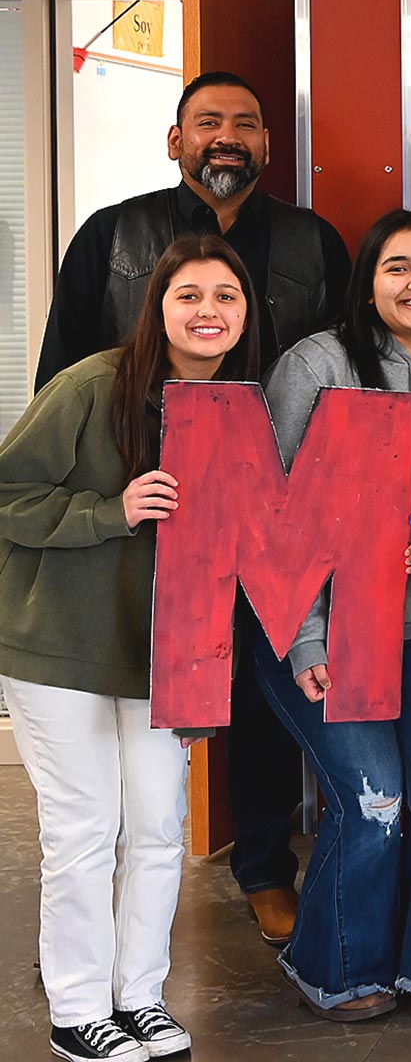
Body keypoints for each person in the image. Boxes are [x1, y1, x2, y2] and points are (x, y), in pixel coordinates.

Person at [35, 71, 351, 948]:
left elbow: (344, 370)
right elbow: (60, 374)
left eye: (245, 124)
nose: (227, 137)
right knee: (134, 699)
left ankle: (263, 868)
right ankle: (94, 916)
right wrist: (101, 499)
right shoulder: (112, 235)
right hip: (142, 507)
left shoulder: (312, 241)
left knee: (259, 687)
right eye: (208, 122)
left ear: (267, 145)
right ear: (176, 141)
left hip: (267, 504)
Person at [251, 209, 411, 1024]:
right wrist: (306, 638)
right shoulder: (318, 365)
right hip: (319, 629)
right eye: (396, 266)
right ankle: (331, 965)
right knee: (374, 803)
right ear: (368, 286)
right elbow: (270, 514)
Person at [0, 235, 259, 1062]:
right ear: (158, 306)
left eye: (226, 296)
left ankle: (138, 996)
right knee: (83, 829)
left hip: (165, 654)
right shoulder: (90, 384)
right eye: (190, 295)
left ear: (246, 314)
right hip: (60, 644)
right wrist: (109, 512)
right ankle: (78, 1010)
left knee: (156, 827)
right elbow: (7, 491)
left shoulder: (240, 411)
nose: (208, 311)